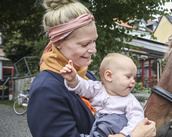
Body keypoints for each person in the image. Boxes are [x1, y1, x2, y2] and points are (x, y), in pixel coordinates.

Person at [27, 0, 156, 137]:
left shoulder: (87, 75)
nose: (93, 50)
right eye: (84, 44)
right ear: (58, 43)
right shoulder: (45, 89)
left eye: (94, 41)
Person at [60, 53, 144, 137]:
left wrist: (124, 134)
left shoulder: (130, 100)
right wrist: (73, 80)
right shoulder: (97, 88)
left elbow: (137, 119)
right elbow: (82, 87)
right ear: (109, 76)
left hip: (113, 130)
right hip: (95, 127)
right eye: (128, 77)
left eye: (134, 77)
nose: (133, 81)